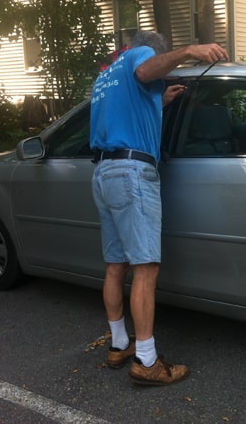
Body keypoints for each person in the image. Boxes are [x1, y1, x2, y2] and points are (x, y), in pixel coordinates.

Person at [90, 31, 229, 386]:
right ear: (152, 50)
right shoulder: (141, 55)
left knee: (115, 265)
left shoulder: (107, 74)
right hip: (133, 174)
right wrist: (189, 50)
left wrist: (160, 100)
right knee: (146, 269)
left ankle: (120, 345)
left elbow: (131, 103)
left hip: (105, 172)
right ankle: (147, 361)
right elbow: (145, 71)